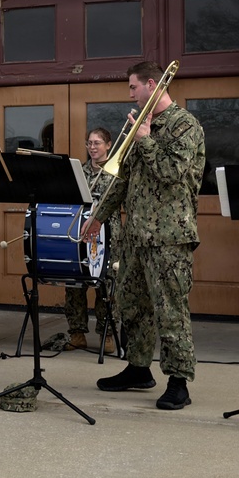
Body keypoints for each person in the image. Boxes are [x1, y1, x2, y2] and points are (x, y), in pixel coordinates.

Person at [83, 61, 205, 410]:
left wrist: (146, 138)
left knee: (171, 310)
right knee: (132, 305)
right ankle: (138, 369)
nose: (131, 95)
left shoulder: (185, 125)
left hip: (169, 237)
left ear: (152, 84)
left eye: (133, 88)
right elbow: (123, 180)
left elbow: (171, 172)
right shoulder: (141, 125)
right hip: (136, 236)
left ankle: (179, 380)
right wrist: (97, 217)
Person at [62, 128, 122, 353]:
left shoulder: (117, 171)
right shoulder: (80, 172)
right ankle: (77, 333)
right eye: (89, 143)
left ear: (108, 145)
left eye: (97, 143)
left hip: (110, 237)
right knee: (75, 284)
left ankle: (106, 334)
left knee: (106, 287)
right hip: (81, 234)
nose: (93, 147)